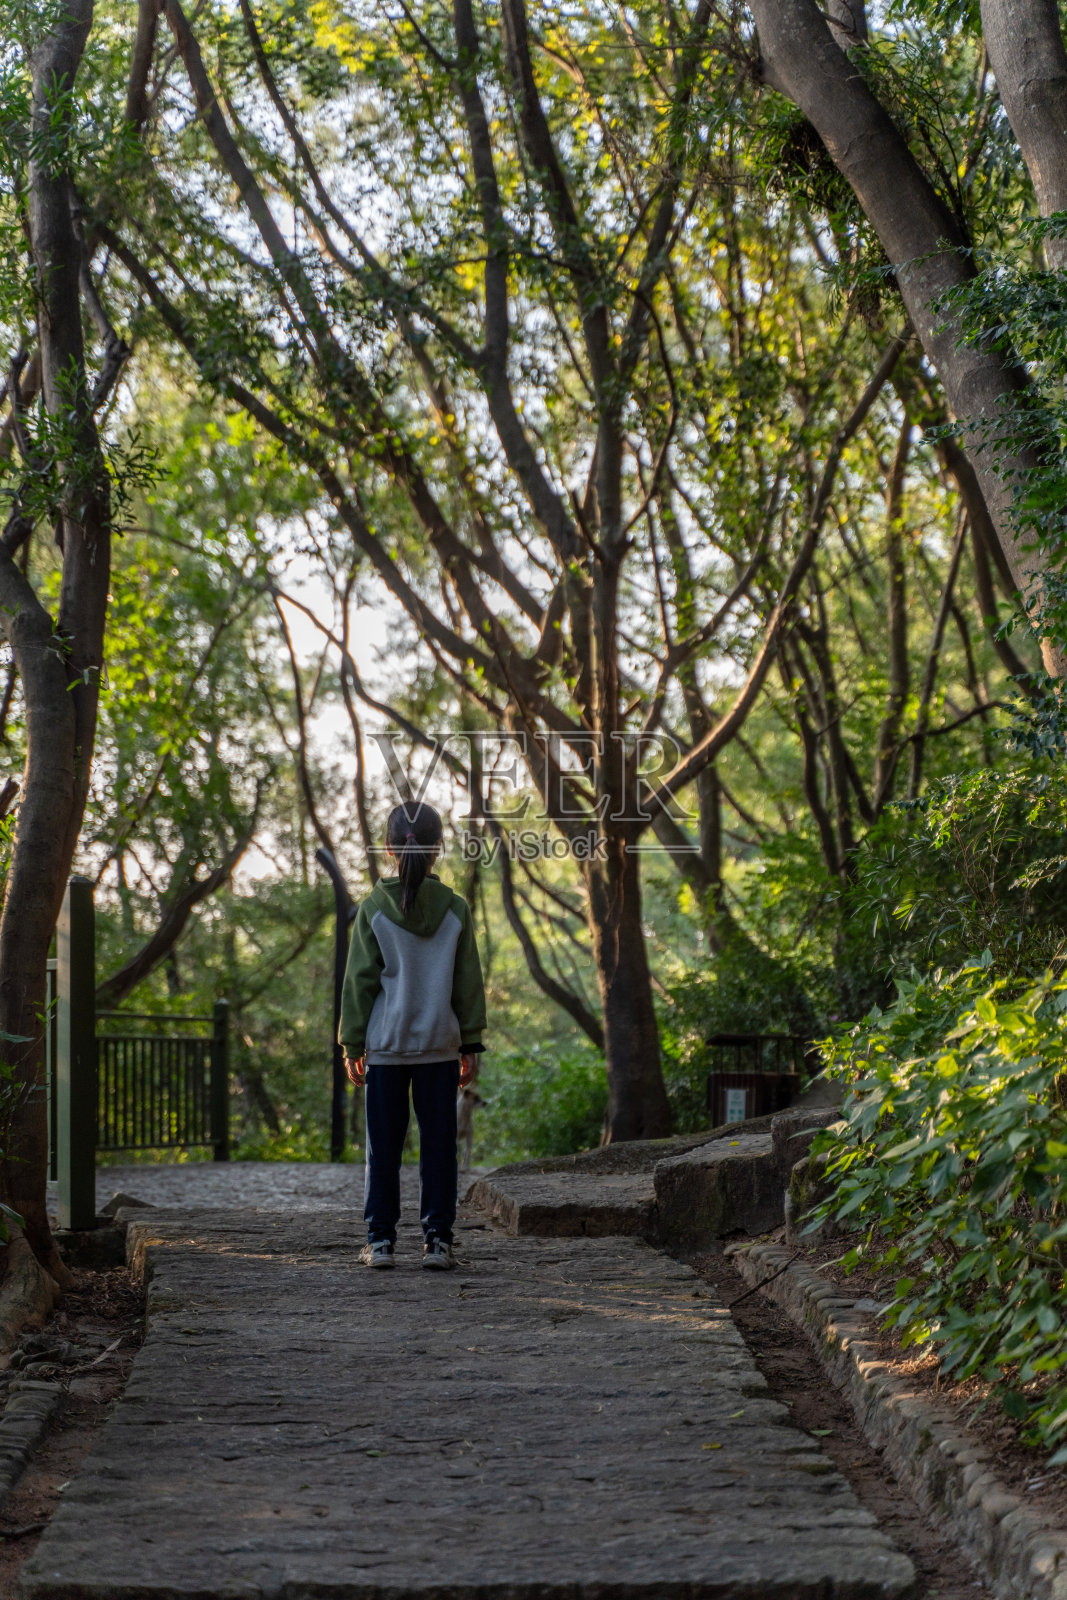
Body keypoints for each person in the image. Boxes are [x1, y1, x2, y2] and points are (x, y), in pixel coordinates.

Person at [340, 801, 486, 1271]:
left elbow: (359, 981)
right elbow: (468, 982)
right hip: (439, 1046)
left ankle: (380, 1242)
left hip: (385, 1047)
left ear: (388, 848)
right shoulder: (456, 910)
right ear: (438, 849)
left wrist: (352, 1044)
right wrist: (470, 1043)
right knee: (439, 1147)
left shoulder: (372, 910)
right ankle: (438, 1243)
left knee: (383, 1149)